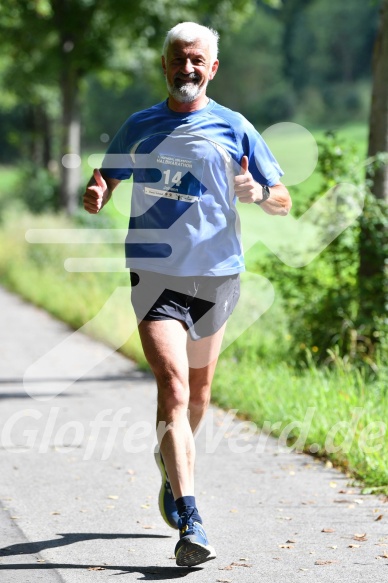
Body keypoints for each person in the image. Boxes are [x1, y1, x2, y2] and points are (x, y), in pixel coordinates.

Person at [83, 21, 291, 567]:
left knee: (198, 398)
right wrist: (98, 189)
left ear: (212, 67)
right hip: (154, 275)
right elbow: (107, 175)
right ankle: (191, 517)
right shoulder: (140, 124)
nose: (188, 69)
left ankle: (168, 463)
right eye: (179, 59)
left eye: (198, 60)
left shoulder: (234, 126)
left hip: (217, 278)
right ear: (165, 65)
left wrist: (259, 191)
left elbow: (282, 200)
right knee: (173, 388)